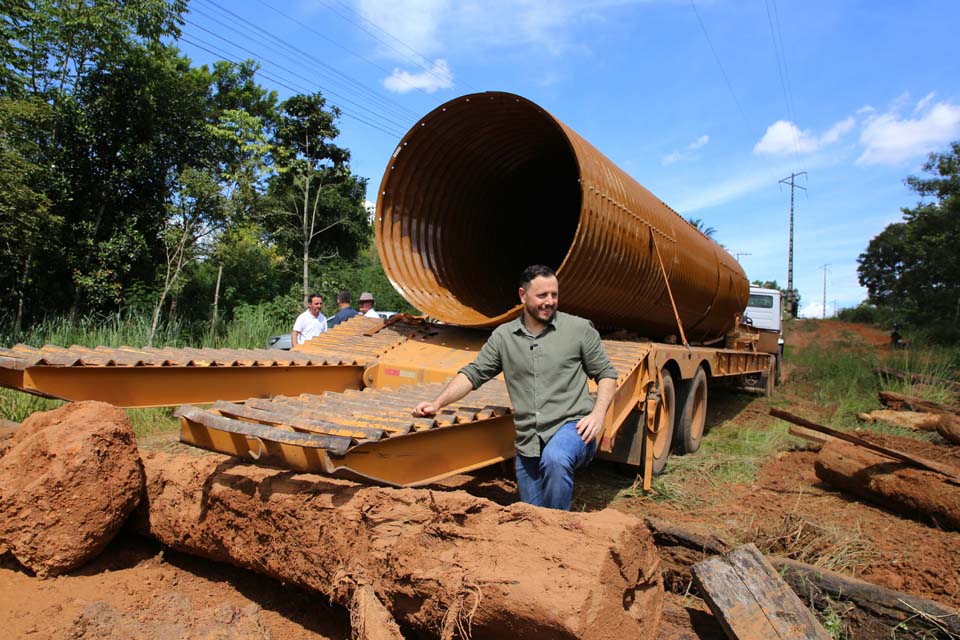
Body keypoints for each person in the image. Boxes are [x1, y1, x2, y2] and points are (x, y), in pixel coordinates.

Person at [413, 265, 618, 510]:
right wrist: (437, 403)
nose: (550, 301)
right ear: (523, 296)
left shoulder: (579, 330)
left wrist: (598, 414)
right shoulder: (504, 337)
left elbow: (606, 373)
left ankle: (559, 532)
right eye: (542, 295)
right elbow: (473, 374)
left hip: (573, 427)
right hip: (528, 440)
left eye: (554, 294)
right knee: (530, 513)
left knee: (556, 458)